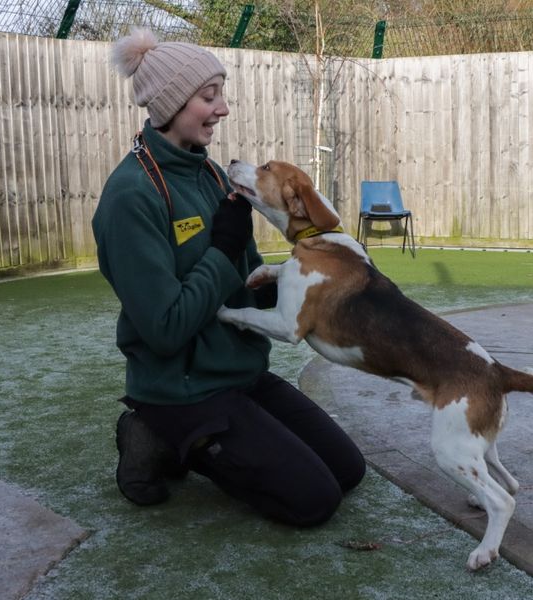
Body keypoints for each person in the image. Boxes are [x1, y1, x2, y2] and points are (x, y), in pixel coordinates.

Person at [92, 28, 365, 527]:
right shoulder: (132, 196)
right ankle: (156, 433)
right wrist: (221, 248)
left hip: (240, 374)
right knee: (313, 502)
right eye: (208, 96)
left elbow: (249, 283)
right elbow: (165, 328)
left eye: (220, 95)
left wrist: (322, 283)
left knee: (348, 470)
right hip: (183, 389)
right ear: (171, 103)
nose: (222, 109)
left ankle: (194, 436)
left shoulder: (214, 176)